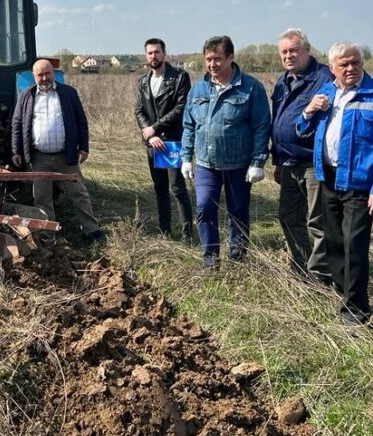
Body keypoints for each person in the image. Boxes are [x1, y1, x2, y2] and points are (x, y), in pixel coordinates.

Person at [297, 43, 373, 325]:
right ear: (332, 68)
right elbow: (302, 130)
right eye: (343, 64)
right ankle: (345, 292)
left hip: (360, 183)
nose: (351, 68)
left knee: (354, 246)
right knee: (333, 243)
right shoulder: (326, 93)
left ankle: (356, 311)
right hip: (329, 178)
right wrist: (308, 111)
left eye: (355, 62)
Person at [181, 35, 270, 267]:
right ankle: (211, 261)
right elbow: (189, 124)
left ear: (231, 57)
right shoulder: (198, 89)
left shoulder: (250, 88)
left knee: (237, 212)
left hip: (238, 165)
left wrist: (257, 161)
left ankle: (237, 258)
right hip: (205, 164)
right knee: (203, 208)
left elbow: (261, 126)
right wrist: (186, 158)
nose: (213, 65)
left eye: (218, 59)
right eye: (208, 60)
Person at [11, 59, 105, 242]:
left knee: (79, 193)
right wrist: (16, 151)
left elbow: (81, 121)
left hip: (65, 156)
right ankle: (47, 233)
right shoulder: (26, 96)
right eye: (40, 75)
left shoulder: (68, 93)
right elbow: (17, 124)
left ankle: (92, 230)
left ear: (54, 73)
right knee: (41, 197)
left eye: (48, 73)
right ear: (34, 76)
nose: (45, 78)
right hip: (39, 157)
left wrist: (84, 147)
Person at [271, 28, 333, 281]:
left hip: (311, 162)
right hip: (287, 162)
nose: (289, 56)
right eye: (284, 52)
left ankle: (321, 274)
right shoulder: (283, 81)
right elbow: (278, 121)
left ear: (307, 50)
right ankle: (300, 267)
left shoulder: (324, 78)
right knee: (288, 217)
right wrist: (276, 160)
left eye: (294, 50)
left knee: (318, 221)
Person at [134, 38, 194, 243]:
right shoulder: (143, 81)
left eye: (157, 52)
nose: (154, 56)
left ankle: (187, 234)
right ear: (146, 56)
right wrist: (149, 134)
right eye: (150, 53)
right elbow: (139, 110)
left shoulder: (179, 77)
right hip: (153, 144)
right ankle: (165, 231)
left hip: (172, 143)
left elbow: (180, 108)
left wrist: (155, 129)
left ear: (164, 53)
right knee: (160, 189)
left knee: (177, 188)